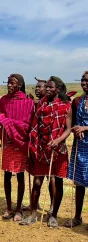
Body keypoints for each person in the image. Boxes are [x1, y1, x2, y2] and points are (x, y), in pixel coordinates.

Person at [20, 76, 72, 227]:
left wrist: (58, 140)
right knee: (37, 181)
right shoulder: (41, 104)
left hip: (58, 149)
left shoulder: (65, 105)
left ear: (59, 89)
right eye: (46, 87)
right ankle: (33, 214)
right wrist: (34, 141)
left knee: (56, 182)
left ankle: (53, 215)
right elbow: (35, 125)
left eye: (50, 87)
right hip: (42, 148)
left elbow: (68, 129)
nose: (47, 89)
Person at [0, 74, 34, 222]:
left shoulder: (27, 101)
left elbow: (28, 123)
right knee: (6, 175)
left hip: (20, 142)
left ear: (20, 85)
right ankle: (8, 208)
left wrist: (11, 125)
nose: (9, 85)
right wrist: (5, 122)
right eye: (8, 83)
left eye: (13, 83)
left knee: (19, 176)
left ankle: (19, 209)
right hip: (8, 142)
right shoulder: (4, 100)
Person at [23, 77, 55, 212]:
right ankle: (33, 204)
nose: (37, 89)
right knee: (36, 175)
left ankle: (53, 206)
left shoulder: (50, 104)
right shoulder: (34, 103)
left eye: (40, 87)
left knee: (50, 176)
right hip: (35, 143)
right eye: (36, 87)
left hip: (49, 144)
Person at [64, 71, 88, 228]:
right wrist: (75, 129)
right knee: (79, 183)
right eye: (83, 80)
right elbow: (71, 122)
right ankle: (77, 216)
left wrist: (85, 127)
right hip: (81, 146)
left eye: (87, 81)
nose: (84, 83)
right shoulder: (78, 101)